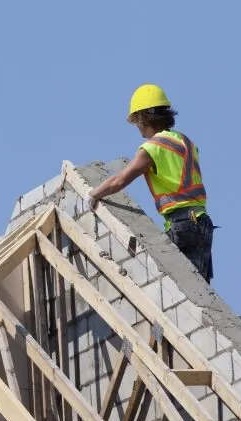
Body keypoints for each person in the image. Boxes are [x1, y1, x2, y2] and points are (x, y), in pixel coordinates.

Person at [86, 84, 216, 283]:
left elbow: (119, 180)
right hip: (202, 221)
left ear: (142, 119)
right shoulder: (185, 142)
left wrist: (93, 195)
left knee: (177, 285)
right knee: (199, 287)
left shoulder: (153, 147)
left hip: (183, 223)